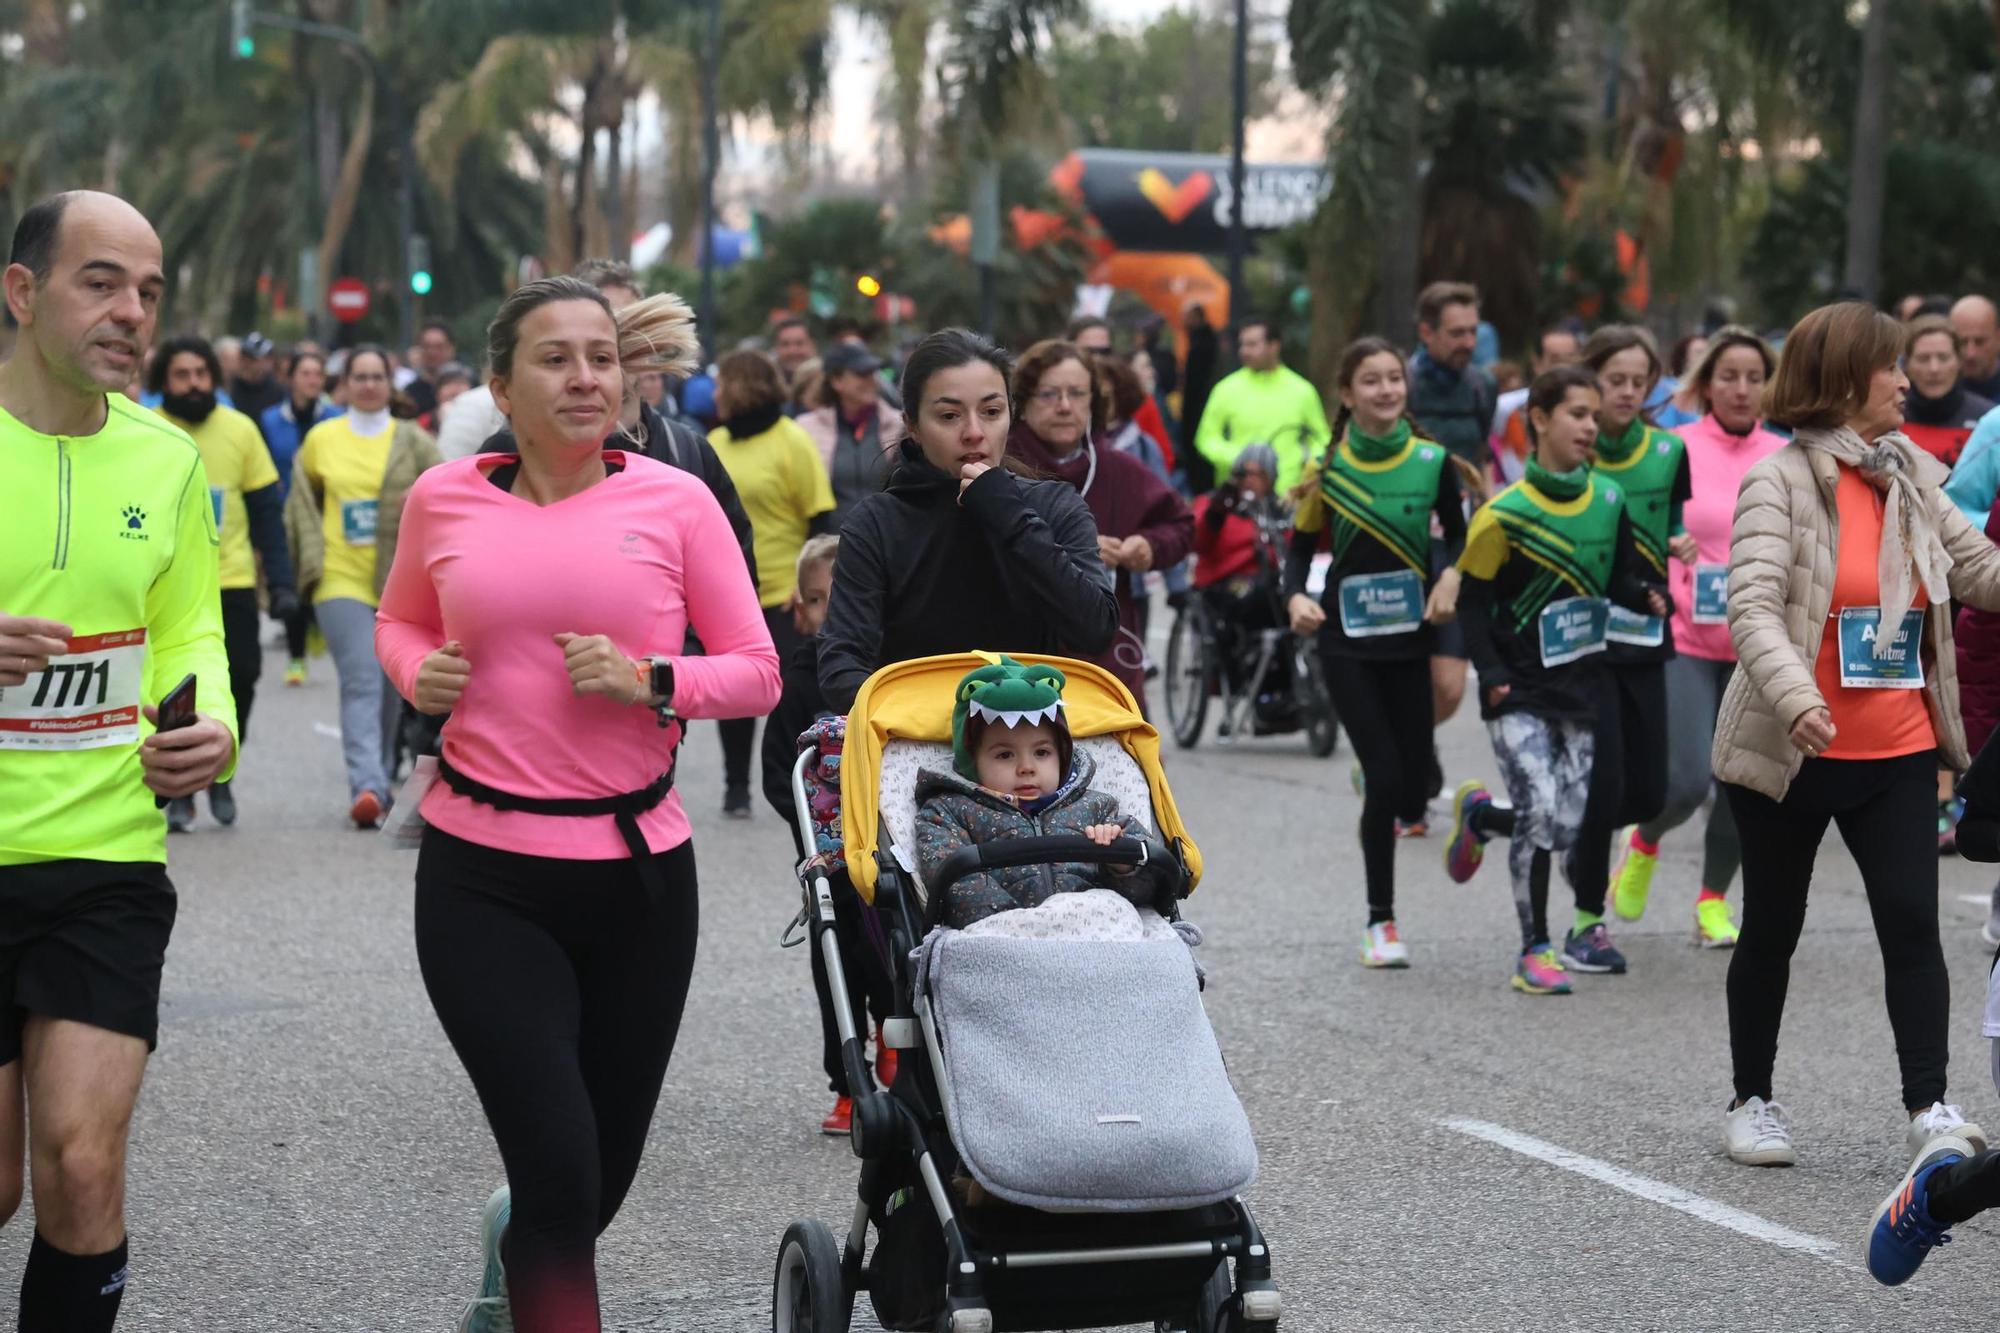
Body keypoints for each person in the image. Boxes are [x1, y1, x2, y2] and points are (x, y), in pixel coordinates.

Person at [375, 275, 780, 1332]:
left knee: (595, 1178)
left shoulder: (676, 499)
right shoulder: (445, 498)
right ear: (501, 386)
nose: (585, 376)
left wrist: (653, 678)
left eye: (601, 355)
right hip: (482, 877)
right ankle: (533, 1248)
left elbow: (756, 670)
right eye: (555, 357)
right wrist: (418, 673)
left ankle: (513, 1257)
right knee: (559, 1167)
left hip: (641, 878)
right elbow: (399, 622)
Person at [0, 189, 238, 1333]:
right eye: (101, 281)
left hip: (106, 853)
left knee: (82, 1169)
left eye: (148, 290)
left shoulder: (167, 460)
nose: (132, 312)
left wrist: (217, 723)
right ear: (23, 290)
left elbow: (190, 625)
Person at [1711, 301, 2000, 1170]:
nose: (1907, 380)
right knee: (1772, 929)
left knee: (1912, 924)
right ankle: (1752, 1100)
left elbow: (1976, 567)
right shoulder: (1781, 481)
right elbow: (1753, 607)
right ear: (1843, 379)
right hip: (1792, 747)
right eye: (1892, 366)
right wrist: (1797, 695)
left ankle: (1930, 1107)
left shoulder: (1907, 467)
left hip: (1898, 748)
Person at [1438, 365, 1669, 996]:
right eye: (1577, 414)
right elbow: (1475, 602)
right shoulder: (1504, 515)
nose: (1591, 427)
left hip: (1583, 687)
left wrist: (1645, 593)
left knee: (1569, 824)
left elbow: (1619, 576)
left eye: (1595, 416)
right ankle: (1533, 948)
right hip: (1519, 688)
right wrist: (1492, 675)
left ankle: (1484, 817)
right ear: (1538, 419)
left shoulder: (1608, 500)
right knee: (1542, 812)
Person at [817, 329, 1117, 713]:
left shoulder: (1053, 504)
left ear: (1011, 413)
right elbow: (841, 665)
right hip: (914, 745)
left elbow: (1095, 629)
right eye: (949, 416)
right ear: (912, 425)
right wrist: (929, 720)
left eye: (991, 412)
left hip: (1031, 745)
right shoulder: (876, 522)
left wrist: (1007, 514)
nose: (974, 433)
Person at [1284, 337, 1466, 968]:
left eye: (1394, 378)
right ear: (1347, 393)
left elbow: (1463, 540)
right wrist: (1294, 600)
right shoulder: (1328, 468)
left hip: (1411, 638)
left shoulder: (1433, 461)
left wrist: (1450, 576)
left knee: (1412, 789)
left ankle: (1418, 793)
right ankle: (1380, 922)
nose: (1387, 390)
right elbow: (1299, 550)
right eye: (1372, 381)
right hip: (1346, 640)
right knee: (1388, 782)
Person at [1609, 328, 1784, 948]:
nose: (1741, 389)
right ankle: (1647, 837)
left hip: (1759, 642)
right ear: (1706, 384)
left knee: (1743, 784)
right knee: (1684, 781)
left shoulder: (1785, 455)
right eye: (1728, 376)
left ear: (1769, 387)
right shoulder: (1672, 448)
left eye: (1754, 377)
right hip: (1685, 632)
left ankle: (1712, 902)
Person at [1557, 326, 1694, 975]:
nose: (1629, 392)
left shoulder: (1669, 453)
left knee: (1648, 789)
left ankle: (1499, 818)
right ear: (1591, 381)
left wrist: (1679, 545)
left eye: (1642, 381)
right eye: (1617, 380)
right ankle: (1587, 921)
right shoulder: (1573, 452)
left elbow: (1671, 526)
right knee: (1603, 781)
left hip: (1645, 630)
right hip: (1583, 641)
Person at [760, 535, 895, 1136]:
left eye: (842, 601)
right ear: (800, 609)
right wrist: (806, 823)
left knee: (893, 952)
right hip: (825, 858)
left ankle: (896, 1040)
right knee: (833, 959)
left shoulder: (889, 679)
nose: (828, 615)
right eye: (817, 602)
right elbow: (774, 774)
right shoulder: (796, 686)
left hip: (887, 850)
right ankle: (847, 1079)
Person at [284, 344, 442, 827]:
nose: (369, 384)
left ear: (389, 384)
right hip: (339, 577)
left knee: (394, 688)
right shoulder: (321, 439)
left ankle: (380, 768)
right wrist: (308, 562)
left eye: (377, 376)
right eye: (360, 376)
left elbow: (444, 492)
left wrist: (415, 502)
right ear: (345, 383)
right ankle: (368, 786)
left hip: (400, 581)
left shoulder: (412, 440)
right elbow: (302, 501)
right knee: (361, 680)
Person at [148, 334, 297, 831]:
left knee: (246, 676)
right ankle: (183, 784)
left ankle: (220, 765)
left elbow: (266, 514)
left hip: (231, 580)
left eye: (201, 374)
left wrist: (280, 583)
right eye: (181, 375)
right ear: (163, 382)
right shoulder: (148, 432)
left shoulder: (241, 430)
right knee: (173, 687)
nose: (194, 384)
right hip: (163, 586)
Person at [916, 657, 1170, 930]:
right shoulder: (949, 812)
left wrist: (1121, 865)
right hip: (1002, 938)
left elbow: (1151, 891)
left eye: (1042, 753)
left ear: (1062, 756)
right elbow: (957, 889)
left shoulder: (1097, 808)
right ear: (973, 762)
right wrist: (1028, 928)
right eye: (1005, 755)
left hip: (1095, 935)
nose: (1027, 767)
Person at [1005, 339, 1193, 704]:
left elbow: (1180, 523)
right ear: (1022, 404)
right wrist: (1074, 549)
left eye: (1077, 394)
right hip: (1018, 662)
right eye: (1048, 394)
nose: (1064, 406)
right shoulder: (999, 467)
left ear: (1094, 402)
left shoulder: (1117, 468)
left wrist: (1148, 546)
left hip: (1104, 665)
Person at [709, 348, 835, 817]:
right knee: (734, 694)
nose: (716, 392)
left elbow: (819, 515)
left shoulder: (792, 439)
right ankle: (736, 786)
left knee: (791, 691)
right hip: (730, 592)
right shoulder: (715, 441)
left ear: (744, 385)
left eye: (724, 383)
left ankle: (812, 780)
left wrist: (808, 588)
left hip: (785, 591)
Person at [1191, 316, 1330, 493]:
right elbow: (1206, 439)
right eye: (1242, 344)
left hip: (1287, 497)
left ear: (1274, 345)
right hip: (1238, 496)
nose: (1244, 351)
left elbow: (1321, 440)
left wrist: (1306, 467)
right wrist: (1239, 459)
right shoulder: (1226, 389)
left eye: (1252, 344)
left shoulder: (1302, 390)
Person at [795, 341, 901, 526]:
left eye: (872, 372)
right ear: (836, 381)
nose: (871, 380)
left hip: (887, 540)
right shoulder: (806, 428)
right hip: (830, 544)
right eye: (861, 374)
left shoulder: (898, 424)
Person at [1407, 281, 1498, 468]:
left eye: (1473, 332)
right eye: (1457, 333)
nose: (1469, 343)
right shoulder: (1402, 386)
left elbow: (1483, 455)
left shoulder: (1482, 385)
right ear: (1426, 333)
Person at [1070, 315, 1174, 472]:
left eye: (1104, 352)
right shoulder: (1052, 402)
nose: (1097, 358)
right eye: (1089, 351)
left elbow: (1164, 458)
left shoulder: (1133, 399)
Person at [1489, 325, 1582, 482]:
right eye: (1555, 360)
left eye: (1570, 360)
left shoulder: (1592, 410)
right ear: (1537, 363)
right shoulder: (1506, 407)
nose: (1564, 368)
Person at [1901, 315, 1994, 466]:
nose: (1934, 369)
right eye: (1923, 359)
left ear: (1959, 362)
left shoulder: (1988, 419)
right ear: (1906, 365)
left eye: (1943, 358)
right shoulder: (1888, 420)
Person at [1177, 302, 1221, 490]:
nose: (1183, 321)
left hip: (1199, 411)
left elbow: (1196, 384)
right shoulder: (1199, 341)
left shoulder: (1202, 345)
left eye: (1187, 316)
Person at [404, 319, 457, 419]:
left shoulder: (468, 388)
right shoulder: (409, 395)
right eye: (426, 346)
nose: (432, 353)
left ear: (451, 349)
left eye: (439, 347)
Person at [1951, 295, 2000, 402]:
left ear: (1998, 338)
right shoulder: (1937, 395)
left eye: (1980, 342)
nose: (1970, 354)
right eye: (1962, 342)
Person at [771, 316, 817, 411]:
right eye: (785, 344)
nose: (792, 351)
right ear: (776, 348)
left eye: (799, 343)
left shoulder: (829, 385)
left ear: (813, 346)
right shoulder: (767, 388)